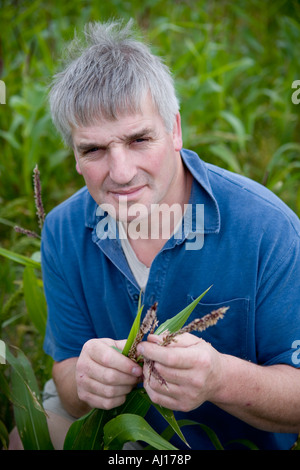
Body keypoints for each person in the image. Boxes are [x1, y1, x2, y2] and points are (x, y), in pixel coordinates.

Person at [11, 19, 300, 450]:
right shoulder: (63, 229)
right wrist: (85, 379)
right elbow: (67, 373)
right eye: (93, 149)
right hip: (117, 436)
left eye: (139, 139)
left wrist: (220, 378)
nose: (121, 173)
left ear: (175, 130)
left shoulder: (268, 229)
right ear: (73, 154)